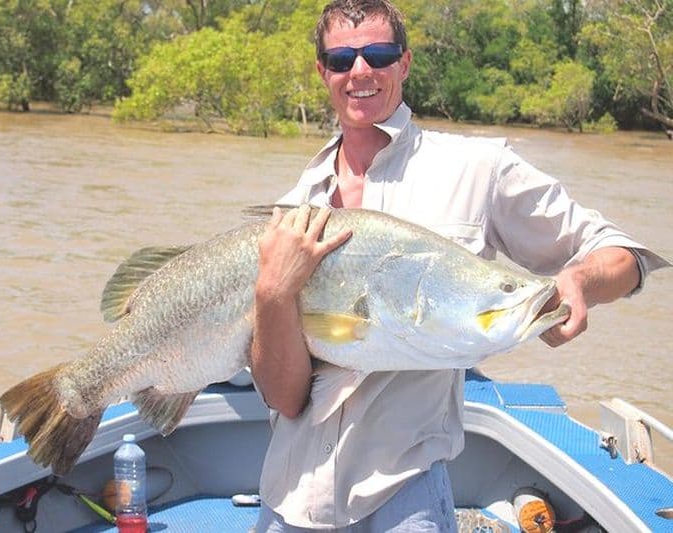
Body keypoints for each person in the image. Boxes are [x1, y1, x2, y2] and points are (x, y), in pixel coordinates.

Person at [249, 0, 669, 531]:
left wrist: (581, 280)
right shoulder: (291, 210)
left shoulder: (477, 169)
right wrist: (271, 295)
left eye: (378, 54)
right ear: (323, 72)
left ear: (404, 63)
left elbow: (624, 252)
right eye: (341, 60)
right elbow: (286, 398)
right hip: (289, 499)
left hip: (404, 494)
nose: (361, 71)